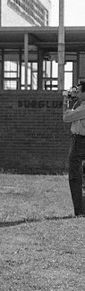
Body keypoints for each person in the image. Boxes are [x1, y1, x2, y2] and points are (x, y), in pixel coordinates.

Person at [63, 82, 85, 216]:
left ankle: (80, 211)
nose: (77, 94)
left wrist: (66, 101)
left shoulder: (83, 108)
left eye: (79, 91)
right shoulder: (81, 106)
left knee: (75, 176)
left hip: (80, 142)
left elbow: (66, 117)